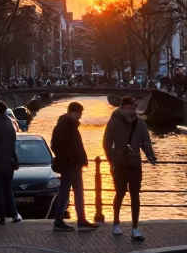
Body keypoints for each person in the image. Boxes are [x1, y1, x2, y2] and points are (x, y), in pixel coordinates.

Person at [103, 96, 157, 240]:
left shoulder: (139, 122)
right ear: (122, 108)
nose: (131, 111)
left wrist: (150, 156)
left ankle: (135, 228)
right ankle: (116, 223)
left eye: (133, 108)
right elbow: (107, 143)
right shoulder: (114, 121)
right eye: (129, 108)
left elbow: (145, 141)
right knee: (120, 192)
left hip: (134, 164)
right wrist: (111, 160)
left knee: (135, 195)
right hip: (119, 164)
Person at [50, 101, 96, 232]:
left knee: (77, 192)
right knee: (65, 193)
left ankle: (81, 220)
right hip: (69, 164)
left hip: (74, 164)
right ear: (72, 112)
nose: (81, 116)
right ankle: (59, 221)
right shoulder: (65, 125)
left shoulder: (70, 125)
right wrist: (69, 158)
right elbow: (55, 145)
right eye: (79, 113)